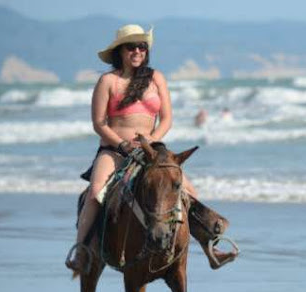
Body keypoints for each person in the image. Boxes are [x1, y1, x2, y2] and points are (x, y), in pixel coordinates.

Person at [66, 24, 232, 273]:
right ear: (120, 50)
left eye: (142, 46)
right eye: (131, 46)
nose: (137, 51)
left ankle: (211, 248)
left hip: (151, 151)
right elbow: (99, 123)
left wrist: (150, 140)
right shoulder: (108, 81)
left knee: (188, 191)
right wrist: (121, 143)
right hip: (114, 151)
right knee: (95, 193)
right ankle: (81, 251)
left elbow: (166, 119)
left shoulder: (156, 78)